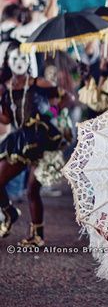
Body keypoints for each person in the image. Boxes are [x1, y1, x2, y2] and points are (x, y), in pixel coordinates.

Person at [0, 41, 69, 246]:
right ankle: (9, 211)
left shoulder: (40, 83)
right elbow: (5, 119)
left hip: (43, 139)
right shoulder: (5, 88)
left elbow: (63, 100)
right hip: (20, 140)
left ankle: (37, 235)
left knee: (32, 188)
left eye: (23, 58)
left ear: (29, 60)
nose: (20, 62)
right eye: (15, 58)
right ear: (8, 62)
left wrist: (49, 114)